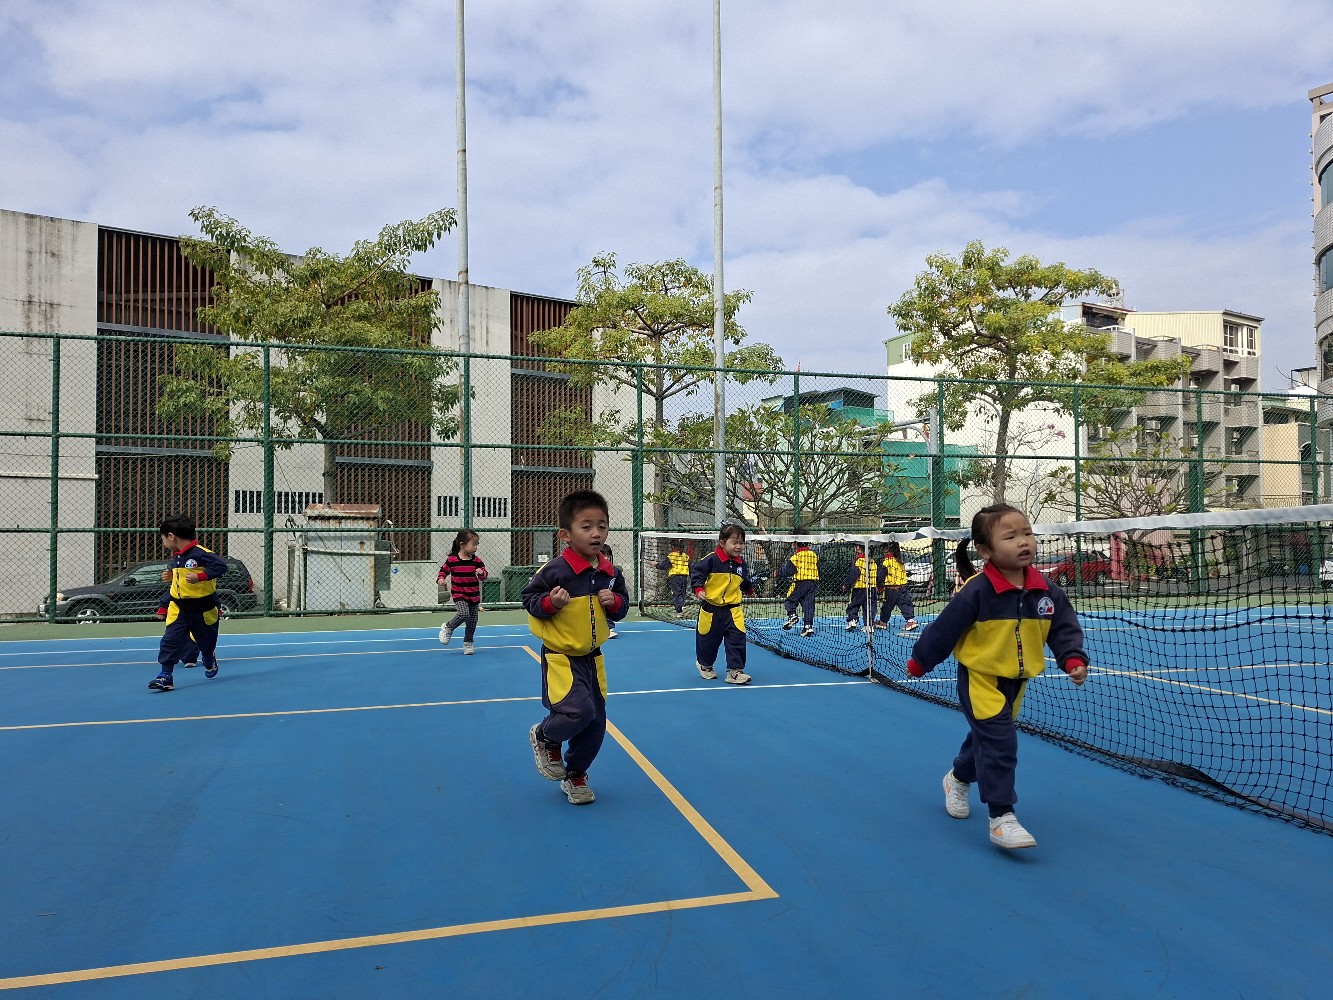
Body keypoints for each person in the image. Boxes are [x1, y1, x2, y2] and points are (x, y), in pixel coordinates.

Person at [905, 504, 1089, 850]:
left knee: (987, 739)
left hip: (1016, 682)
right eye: (1011, 536)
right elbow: (944, 630)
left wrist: (1072, 658)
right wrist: (920, 661)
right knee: (1001, 742)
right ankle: (1002, 816)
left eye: (1027, 533)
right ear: (985, 550)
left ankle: (958, 777)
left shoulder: (1047, 591)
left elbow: (1063, 628)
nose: (1024, 541)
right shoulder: (976, 591)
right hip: (981, 680)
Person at [523, 490, 629, 805]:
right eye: (587, 526)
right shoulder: (555, 571)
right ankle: (545, 735)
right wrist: (550, 603)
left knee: (596, 722)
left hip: (593, 658)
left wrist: (615, 602)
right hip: (562, 657)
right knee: (578, 711)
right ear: (565, 535)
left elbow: (621, 609)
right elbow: (530, 600)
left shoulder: (611, 574)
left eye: (602, 526)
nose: (596, 533)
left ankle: (576, 774)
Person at [148, 515, 227, 691]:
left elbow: (221, 567)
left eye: (162, 538)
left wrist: (201, 576)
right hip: (179, 608)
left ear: (171, 536)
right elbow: (177, 585)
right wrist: (164, 605)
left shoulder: (201, 553)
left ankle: (208, 657)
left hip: (203, 608)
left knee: (206, 642)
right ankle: (165, 675)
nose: (163, 542)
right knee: (170, 640)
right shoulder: (176, 558)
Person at [690, 522, 756, 684]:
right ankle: (705, 665)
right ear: (722, 542)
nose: (739, 546)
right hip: (711, 609)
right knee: (708, 641)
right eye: (735, 542)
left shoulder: (741, 564)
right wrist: (698, 588)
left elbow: (744, 579)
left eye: (741, 543)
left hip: (733, 610)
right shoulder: (711, 560)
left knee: (737, 639)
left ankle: (735, 671)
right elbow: (697, 574)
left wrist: (748, 588)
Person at [437, 529, 488, 655]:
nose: (476, 547)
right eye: (473, 544)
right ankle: (448, 627)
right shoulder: (452, 560)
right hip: (459, 594)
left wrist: (481, 573)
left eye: (477, 544)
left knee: (472, 622)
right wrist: (441, 579)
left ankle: (468, 643)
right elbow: (443, 571)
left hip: (473, 596)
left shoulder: (477, 561)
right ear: (462, 544)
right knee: (464, 613)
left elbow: (484, 576)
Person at [777, 534, 820, 637]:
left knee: (790, 601)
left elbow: (789, 571)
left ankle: (792, 615)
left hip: (801, 583)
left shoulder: (795, 557)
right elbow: (818, 568)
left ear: (796, 543)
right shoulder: (814, 555)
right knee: (808, 605)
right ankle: (808, 626)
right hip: (813, 583)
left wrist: (778, 572)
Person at [876, 540, 918, 632]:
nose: (883, 551)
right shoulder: (900, 561)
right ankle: (911, 621)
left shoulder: (886, 562)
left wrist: (879, 586)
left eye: (884, 549)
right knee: (906, 605)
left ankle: (883, 622)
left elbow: (880, 576)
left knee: (887, 607)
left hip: (891, 589)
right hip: (902, 588)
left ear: (887, 550)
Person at [156, 589, 199, 668]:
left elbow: (210, 595)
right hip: (178, 615)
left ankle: (202, 656)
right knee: (173, 637)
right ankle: (169, 663)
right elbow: (168, 596)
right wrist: (163, 609)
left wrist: (217, 607)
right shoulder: (176, 586)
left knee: (196, 636)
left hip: (198, 612)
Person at [843, 543, 879, 631]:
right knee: (870, 607)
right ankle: (869, 625)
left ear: (858, 548)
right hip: (872, 588)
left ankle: (852, 620)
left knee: (853, 605)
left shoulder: (858, 561)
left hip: (859, 588)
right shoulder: (873, 562)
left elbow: (854, 574)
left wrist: (846, 584)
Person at [655, 540, 692, 617]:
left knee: (676, 593)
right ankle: (682, 606)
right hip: (684, 577)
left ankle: (679, 610)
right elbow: (690, 566)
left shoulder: (671, 556)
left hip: (675, 578)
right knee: (682, 593)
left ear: (673, 547)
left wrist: (656, 565)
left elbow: (664, 566)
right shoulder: (685, 556)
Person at [601, 544, 621, 638]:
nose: (606, 558)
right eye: (603, 555)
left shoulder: (615, 572)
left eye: (608, 555)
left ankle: (608, 628)